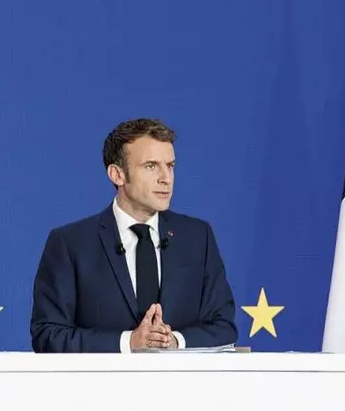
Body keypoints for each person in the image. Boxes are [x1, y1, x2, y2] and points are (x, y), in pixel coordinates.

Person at [30, 118, 237, 353]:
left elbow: (223, 327)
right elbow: (48, 335)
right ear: (117, 174)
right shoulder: (71, 244)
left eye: (170, 165)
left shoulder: (198, 237)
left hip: (181, 387)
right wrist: (129, 342)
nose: (166, 178)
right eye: (151, 166)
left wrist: (174, 341)